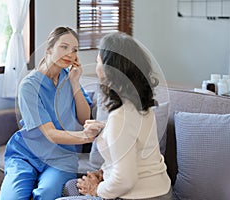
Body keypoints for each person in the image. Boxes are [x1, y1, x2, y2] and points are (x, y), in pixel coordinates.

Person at [59, 32, 172, 200]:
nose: (96, 66)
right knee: (71, 186)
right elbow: (132, 140)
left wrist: (97, 189)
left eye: (98, 61)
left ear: (109, 70)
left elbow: (126, 180)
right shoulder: (139, 104)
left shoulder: (121, 117)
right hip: (158, 189)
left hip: (141, 195)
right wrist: (103, 172)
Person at [0, 26, 103, 200]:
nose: (70, 53)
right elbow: (50, 133)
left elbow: (84, 118)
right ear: (49, 49)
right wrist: (85, 137)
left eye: (74, 49)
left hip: (61, 157)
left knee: (47, 194)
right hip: (27, 155)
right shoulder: (29, 86)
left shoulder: (68, 79)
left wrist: (75, 83)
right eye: (64, 47)